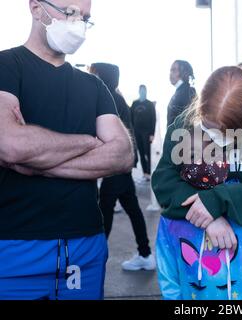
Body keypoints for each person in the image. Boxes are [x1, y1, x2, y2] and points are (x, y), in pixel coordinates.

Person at [0, 0, 134, 300]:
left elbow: (123, 154)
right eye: (69, 12)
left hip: (84, 243)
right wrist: (88, 141)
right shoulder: (6, 66)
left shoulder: (94, 86)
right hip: (13, 244)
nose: (77, 23)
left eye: (85, 17)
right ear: (36, 9)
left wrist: (37, 162)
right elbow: (10, 145)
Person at [152, 66, 242, 293]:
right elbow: (164, 181)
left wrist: (219, 200)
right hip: (192, 266)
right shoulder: (185, 125)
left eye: (225, 132)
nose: (215, 137)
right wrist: (209, 216)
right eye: (208, 127)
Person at [91, 63, 156, 272]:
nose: (90, 77)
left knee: (105, 210)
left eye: (93, 73)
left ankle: (96, 259)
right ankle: (145, 253)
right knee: (131, 208)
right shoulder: (114, 96)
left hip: (117, 164)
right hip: (123, 162)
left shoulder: (109, 98)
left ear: (102, 76)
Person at [131, 85, 156, 183]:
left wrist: (152, 133)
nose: (142, 92)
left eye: (144, 90)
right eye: (141, 90)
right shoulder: (135, 103)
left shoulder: (149, 104)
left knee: (147, 153)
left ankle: (149, 173)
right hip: (137, 132)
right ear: (139, 91)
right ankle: (144, 173)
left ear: (146, 91)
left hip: (147, 132)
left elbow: (153, 119)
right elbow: (131, 117)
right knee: (141, 153)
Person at [167, 60, 197, 127]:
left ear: (184, 72)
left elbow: (190, 120)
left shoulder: (188, 91)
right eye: (170, 70)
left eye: (174, 70)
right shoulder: (180, 91)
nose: (171, 73)